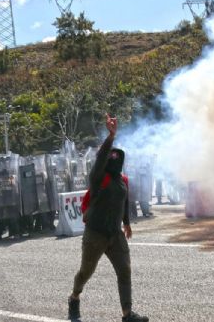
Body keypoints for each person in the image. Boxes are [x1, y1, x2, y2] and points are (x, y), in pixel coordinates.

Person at [68, 114, 148, 322]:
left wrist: (127, 224)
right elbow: (101, 156)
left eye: (117, 158)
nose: (114, 161)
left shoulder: (122, 181)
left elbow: (124, 202)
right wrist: (111, 137)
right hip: (95, 234)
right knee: (86, 272)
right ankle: (74, 297)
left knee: (125, 270)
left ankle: (127, 314)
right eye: (111, 158)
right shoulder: (97, 177)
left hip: (115, 233)